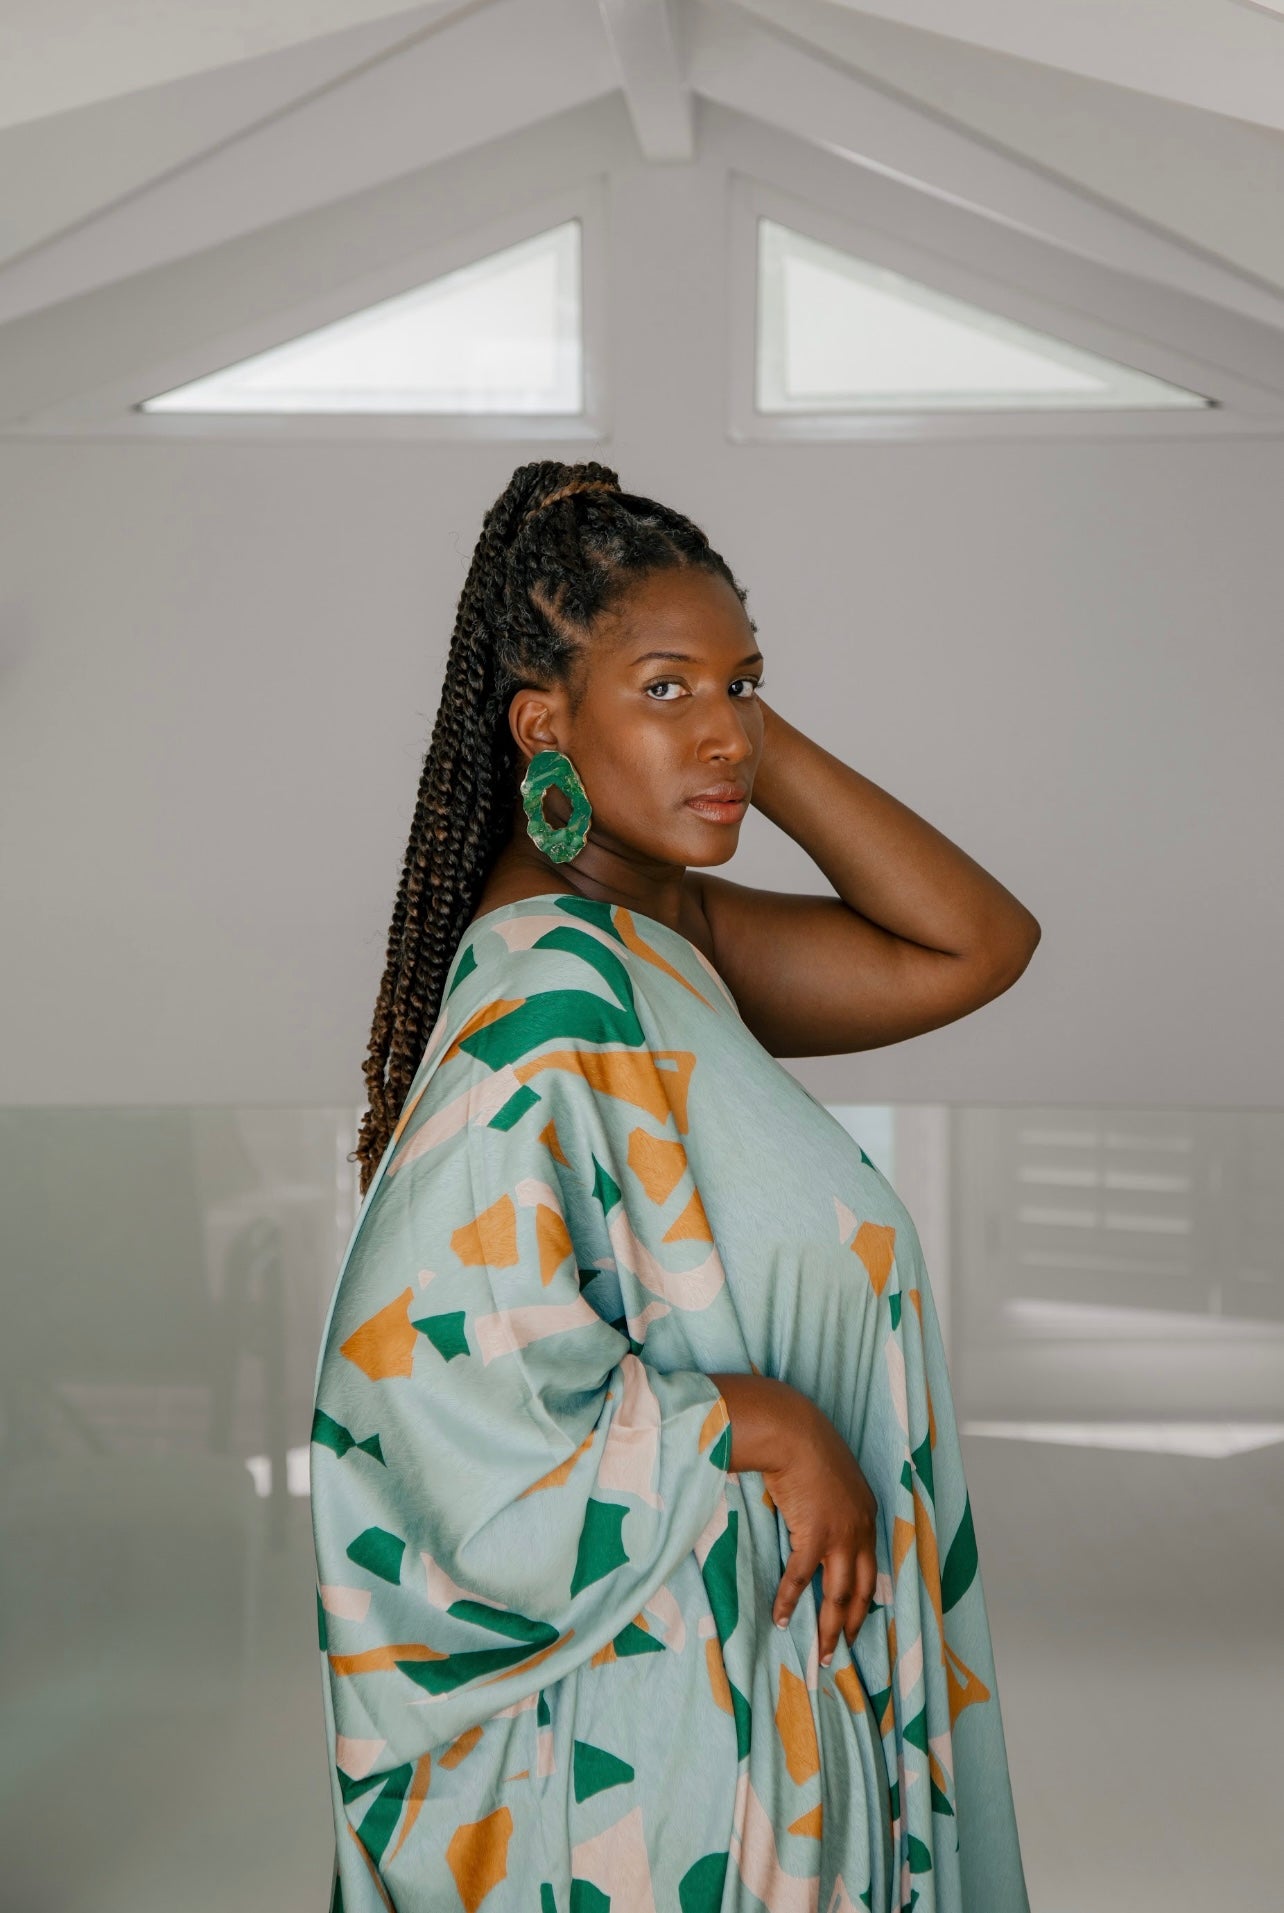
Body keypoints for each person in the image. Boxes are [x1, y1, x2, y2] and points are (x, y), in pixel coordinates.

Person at [310, 461, 1038, 1913]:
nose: (722, 734)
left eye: (744, 685)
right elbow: (414, 1385)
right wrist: (752, 1421)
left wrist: (711, 725)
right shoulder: (544, 994)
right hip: (660, 1752)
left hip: (754, 1683)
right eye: (663, 689)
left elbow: (979, 941)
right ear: (540, 725)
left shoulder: (660, 934)